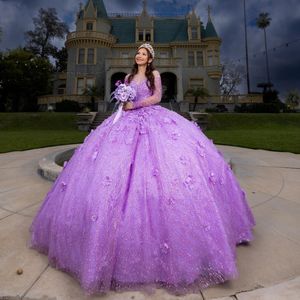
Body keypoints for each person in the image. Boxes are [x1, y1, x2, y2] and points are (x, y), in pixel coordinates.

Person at [29, 43, 255, 295]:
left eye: (144, 53)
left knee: (161, 170)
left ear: (150, 58)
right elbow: (122, 101)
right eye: (138, 52)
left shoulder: (155, 75)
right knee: (109, 172)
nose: (139, 55)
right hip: (124, 123)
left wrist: (134, 105)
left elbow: (157, 98)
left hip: (150, 118)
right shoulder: (126, 77)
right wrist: (123, 102)